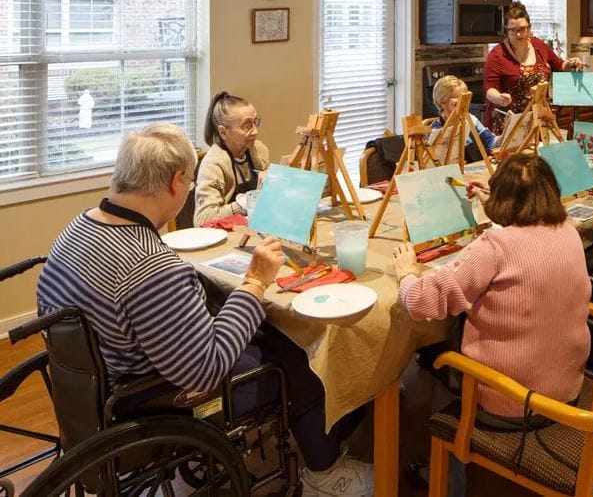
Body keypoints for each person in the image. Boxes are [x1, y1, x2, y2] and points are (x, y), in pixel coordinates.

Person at [36, 124, 373, 497]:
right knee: (306, 360)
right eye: (190, 183)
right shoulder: (150, 266)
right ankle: (325, 475)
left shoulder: (78, 226)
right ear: (175, 182)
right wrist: (255, 283)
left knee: (261, 327)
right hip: (153, 398)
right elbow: (206, 370)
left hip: (99, 385)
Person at [392, 153, 591, 495]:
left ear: (502, 200)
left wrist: (407, 274)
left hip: (511, 402)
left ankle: (451, 476)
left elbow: (424, 301)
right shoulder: (568, 232)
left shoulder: (495, 246)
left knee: (434, 358)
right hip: (566, 388)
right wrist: (498, 202)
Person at [483, 1, 584, 134]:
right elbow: (489, 89)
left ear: (529, 28)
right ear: (506, 30)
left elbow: (559, 65)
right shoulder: (497, 55)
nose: (518, 34)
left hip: (538, 119)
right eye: (513, 30)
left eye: (522, 29)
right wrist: (499, 98)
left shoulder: (539, 46)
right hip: (508, 122)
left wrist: (570, 63)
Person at [194, 91, 270, 226]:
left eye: (255, 122)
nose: (255, 131)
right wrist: (245, 203)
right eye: (247, 126)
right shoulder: (214, 164)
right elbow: (202, 219)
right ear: (223, 132)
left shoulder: (259, 151)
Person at [430, 75, 498, 163]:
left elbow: (491, 143)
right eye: (455, 99)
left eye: (463, 99)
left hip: (475, 169)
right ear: (443, 102)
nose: (461, 104)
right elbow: (433, 164)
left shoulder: (470, 120)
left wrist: (506, 131)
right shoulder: (436, 130)